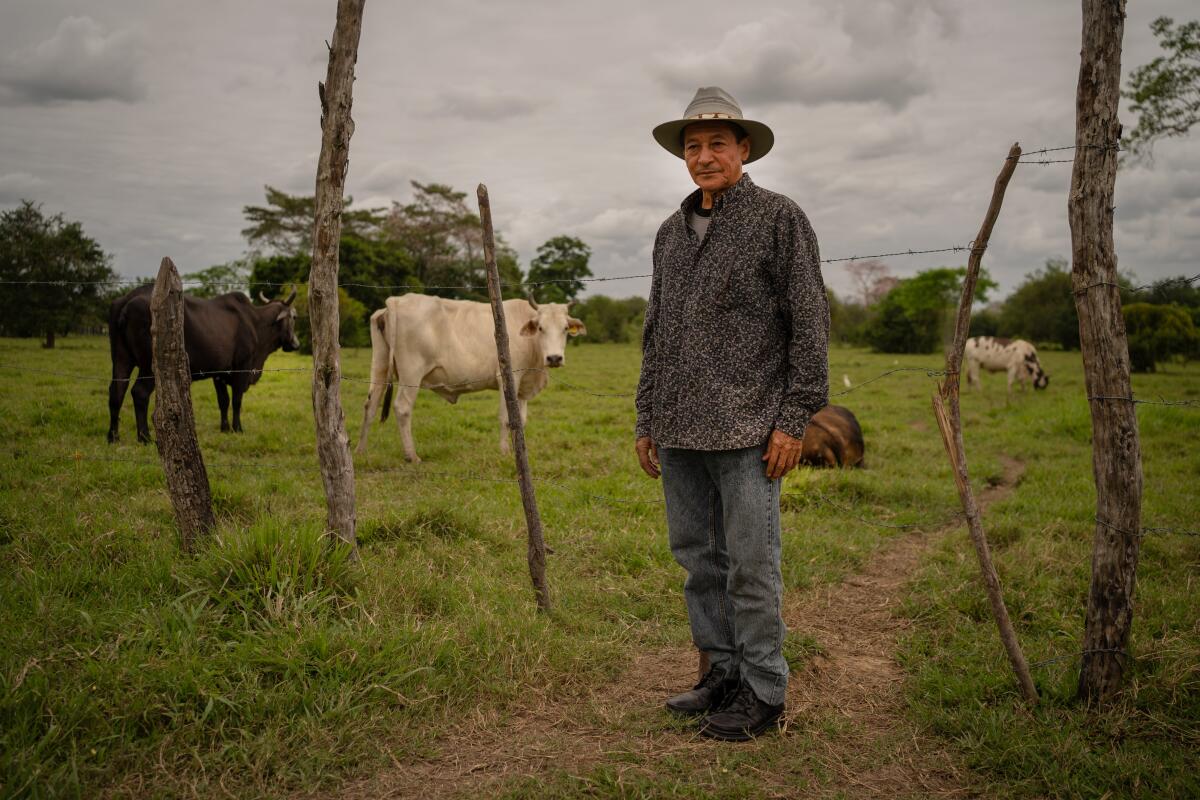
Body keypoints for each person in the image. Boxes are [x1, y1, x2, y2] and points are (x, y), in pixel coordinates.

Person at [635, 86, 829, 741]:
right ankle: (720, 672)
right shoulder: (670, 232)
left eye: (718, 143)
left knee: (752, 564)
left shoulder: (778, 218)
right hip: (680, 429)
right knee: (698, 562)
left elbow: (808, 320)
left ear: (744, 149)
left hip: (751, 428)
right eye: (693, 146)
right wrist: (645, 419)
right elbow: (656, 330)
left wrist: (795, 417)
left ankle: (764, 691)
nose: (705, 155)